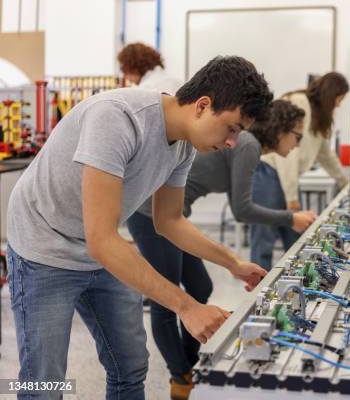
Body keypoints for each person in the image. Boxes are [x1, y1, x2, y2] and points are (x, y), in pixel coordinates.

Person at [6, 56, 272, 400]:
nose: (233, 142)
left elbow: (169, 220)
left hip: (98, 251)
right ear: (203, 106)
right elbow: (101, 241)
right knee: (44, 381)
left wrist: (232, 263)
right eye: (232, 128)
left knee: (130, 367)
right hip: (42, 248)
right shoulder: (117, 118)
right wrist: (187, 306)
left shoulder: (183, 147)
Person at [127, 99, 316, 398]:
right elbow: (242, 210)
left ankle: (189, 363)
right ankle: (181, 377)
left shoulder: (250, 148)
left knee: (201, 286)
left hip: (175, 215)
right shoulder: (249, 145)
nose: (298, 144)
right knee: (167, 300)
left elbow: (241, 205)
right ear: (280, 130)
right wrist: (290, 218)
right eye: (297, 135)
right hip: (149, 214)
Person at [250, 72, 350, 270]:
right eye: (339, 99)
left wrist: (346, 183)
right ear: (332, 94)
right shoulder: (299, 102)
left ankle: (298, 287)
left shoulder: (319, 116)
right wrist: (291, 196)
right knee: (264, 239)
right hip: (268, 172)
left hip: (287, 180)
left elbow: (325, 153)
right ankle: (259, 291)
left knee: (298, 237)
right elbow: (285, 154)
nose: (339, 105)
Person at [118, 42, 182, 94]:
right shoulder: (177, 82)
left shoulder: (142, 90)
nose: (125, 76)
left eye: (125, 71)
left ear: (134, 67)